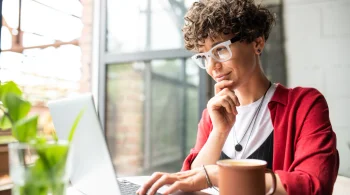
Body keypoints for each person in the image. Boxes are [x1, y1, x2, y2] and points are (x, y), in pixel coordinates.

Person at [136, 0, 339, 194]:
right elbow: (190, 182)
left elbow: (313, 186)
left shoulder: (304, 105)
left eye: (220, 50)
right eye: (204, 56)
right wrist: (219, 132)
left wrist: (220, 175)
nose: (212, 66)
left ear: (257, 43)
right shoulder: (212, 115)